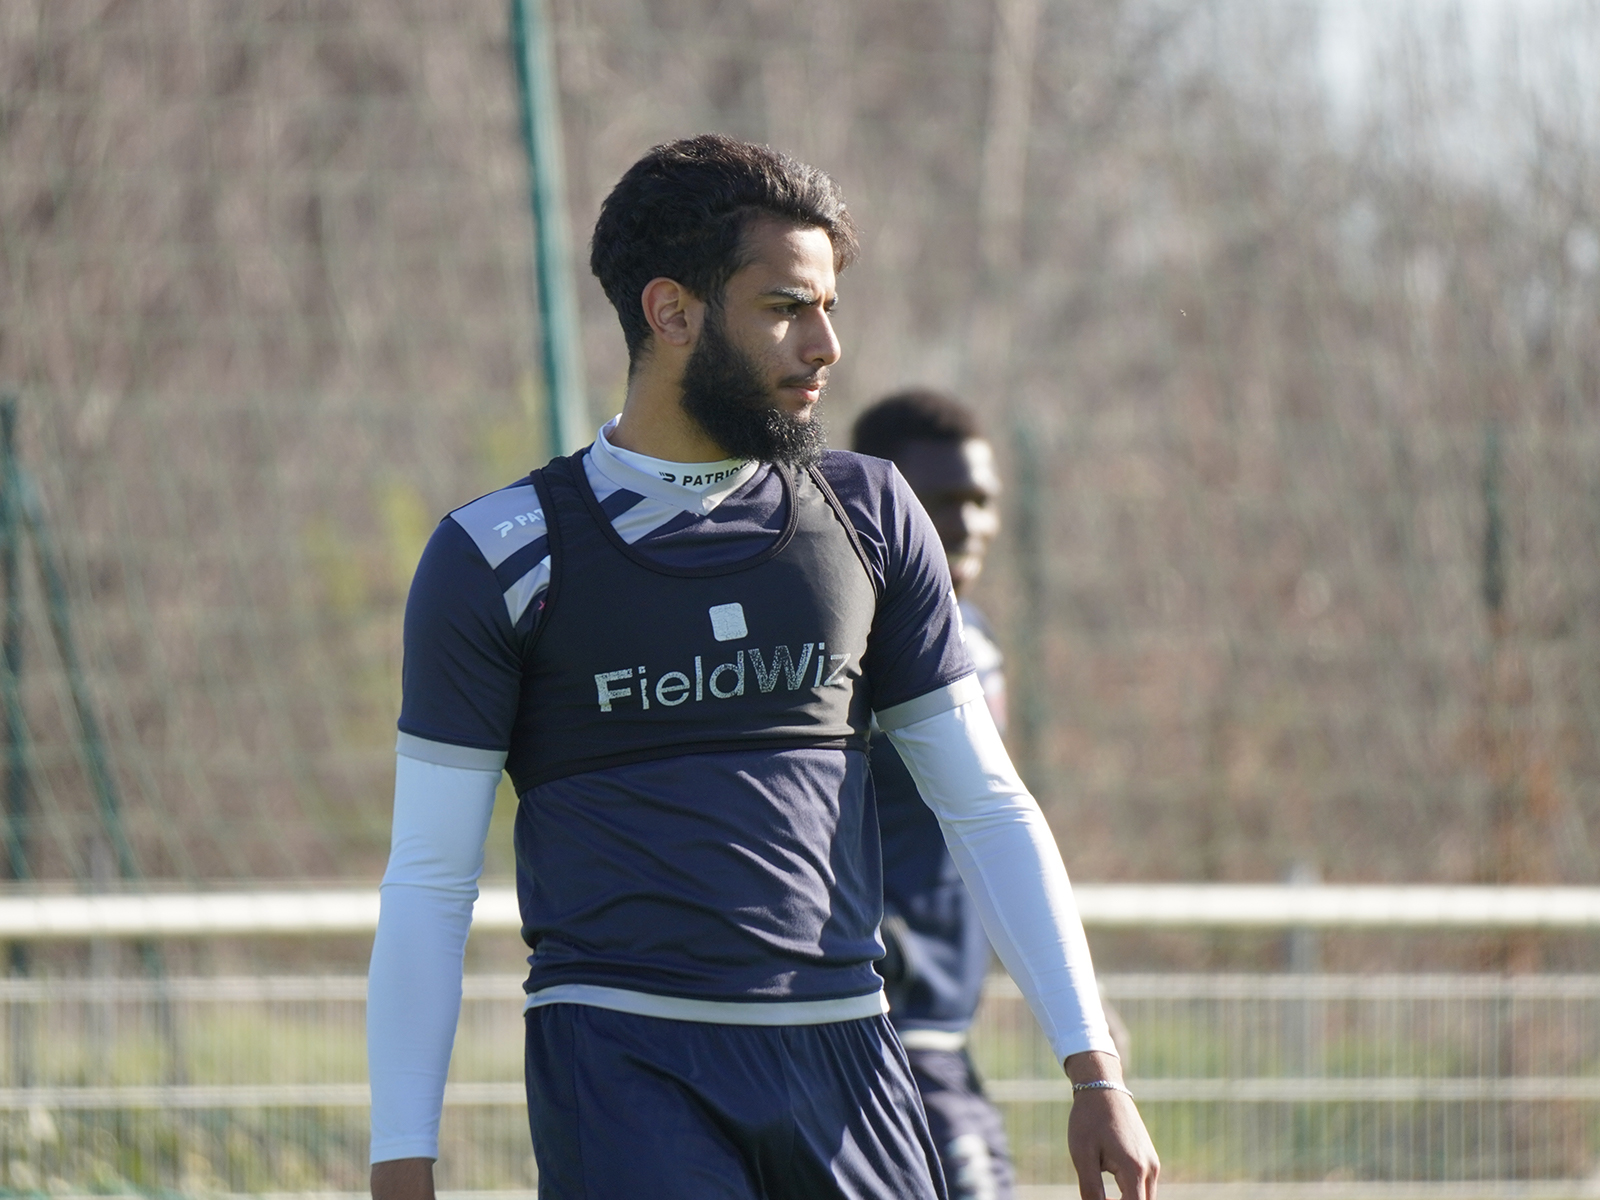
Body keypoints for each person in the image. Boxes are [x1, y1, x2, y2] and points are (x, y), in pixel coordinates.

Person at [366, 133, 1159, 1200]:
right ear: (672, 312)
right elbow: (429, 880)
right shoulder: (498, 555)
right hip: (624, 1067)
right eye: (787, 307)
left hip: (852, 1067)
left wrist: (1090, 1066)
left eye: (830, 306)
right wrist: (400, 1156)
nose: (825, 345)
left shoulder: (871, 513)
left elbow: (986, 806)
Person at [851, 390, 1014, 1200]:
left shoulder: (971, 634)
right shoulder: (849, 635)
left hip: (944, 1033)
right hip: (873, 1032)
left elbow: (992, 824)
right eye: (944, 502)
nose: (970, 523)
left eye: (982, 501)